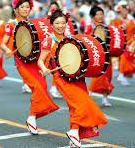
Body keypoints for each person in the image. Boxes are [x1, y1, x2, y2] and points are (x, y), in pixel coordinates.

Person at [38, 9, 108, 147]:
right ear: (51, 24)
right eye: (57, 23)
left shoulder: (70, 38)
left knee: (75, 107)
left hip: (76, 77)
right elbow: (40, 60)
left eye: (63, 23)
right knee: (82, 103)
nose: (60, 25)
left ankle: (74, 135)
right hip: (61, 78)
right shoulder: (49, 41)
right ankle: (74, 132)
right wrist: (44, 69)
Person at [1, 0, 59, 134]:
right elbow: (2, 43)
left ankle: (32, 118)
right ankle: (33, 117)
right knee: (37, 87)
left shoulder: (34, 23)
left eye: (27, 7)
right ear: (16, 10)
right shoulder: (12, 24)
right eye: (22, 7)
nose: (25, 9)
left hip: (36, 61)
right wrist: (8, 50)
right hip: (22, 62)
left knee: (42, 88)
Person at [85, 6, 113, 107]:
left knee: (108, 76)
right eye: (97, 14)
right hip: (96, 55)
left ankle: (105, 98)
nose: (100, 16)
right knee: (97, 75)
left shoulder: (107, 27)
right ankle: (89, 94)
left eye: (101, 14)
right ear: (93, 16)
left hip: (107, 55)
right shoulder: (90, 27)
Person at [114, 1, 135, 85]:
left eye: (125, 10)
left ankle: (123, 74)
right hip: (121, 41)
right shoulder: (117, 20)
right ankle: (121, 74)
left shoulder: (130, 19)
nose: (124, 12)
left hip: (129, 41)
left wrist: (125, 22)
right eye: (122, 11)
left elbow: (132, 28)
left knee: (128, 58)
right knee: (123, 58)